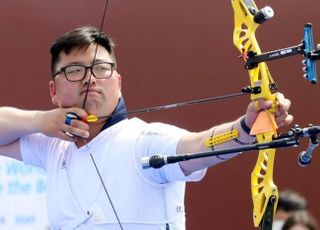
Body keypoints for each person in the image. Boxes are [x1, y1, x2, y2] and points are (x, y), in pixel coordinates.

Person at [0, 26, 293, 229]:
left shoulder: (144, 140)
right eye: (75, 71)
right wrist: (40, 121)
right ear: (54, 90)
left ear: (118, 81)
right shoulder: (54, 146)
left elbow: (200, 145)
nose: (90, 79)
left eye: (101, 69)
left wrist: (244, 128)